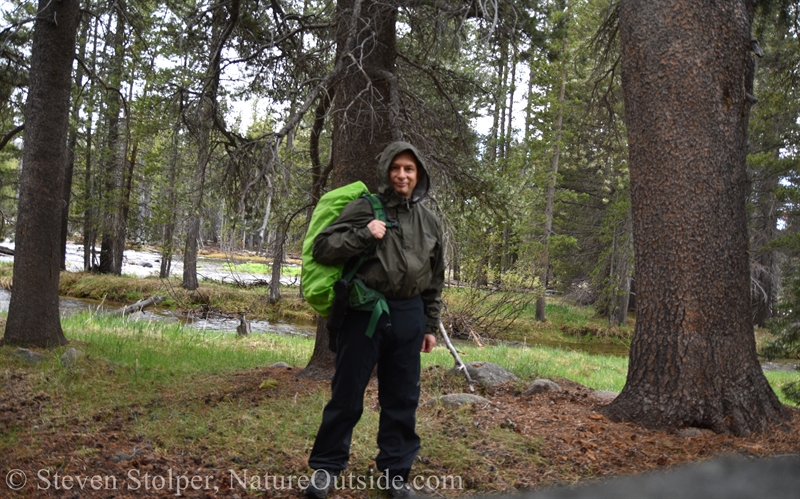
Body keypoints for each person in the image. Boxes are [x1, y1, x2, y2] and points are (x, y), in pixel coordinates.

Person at [305, 141, 445, 498]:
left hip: (409, 314)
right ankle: (326, 469)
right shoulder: (366, 207)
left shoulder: (429, 221)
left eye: (409, 169)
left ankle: (395, 476)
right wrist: (364, 233)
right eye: (396, 168)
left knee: (401, 399)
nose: (402, 175)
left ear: (419, 176)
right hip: (365, 312)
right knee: (347, 393)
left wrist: (429, 326)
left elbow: (434, 278)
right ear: (386, 171)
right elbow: (323, 247)